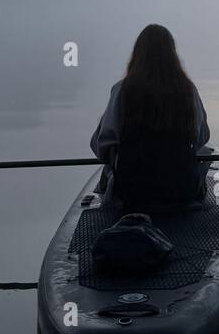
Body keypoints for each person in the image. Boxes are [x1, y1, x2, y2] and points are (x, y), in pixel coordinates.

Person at [90, 24, 212, 208]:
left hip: (131, 195)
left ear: (137, 55)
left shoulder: (122, 90)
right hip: (180, 192)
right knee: (205, 153)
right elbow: (202, 137)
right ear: (173, 55)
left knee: (110, 169)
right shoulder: (188, 90)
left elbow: (101, 146)